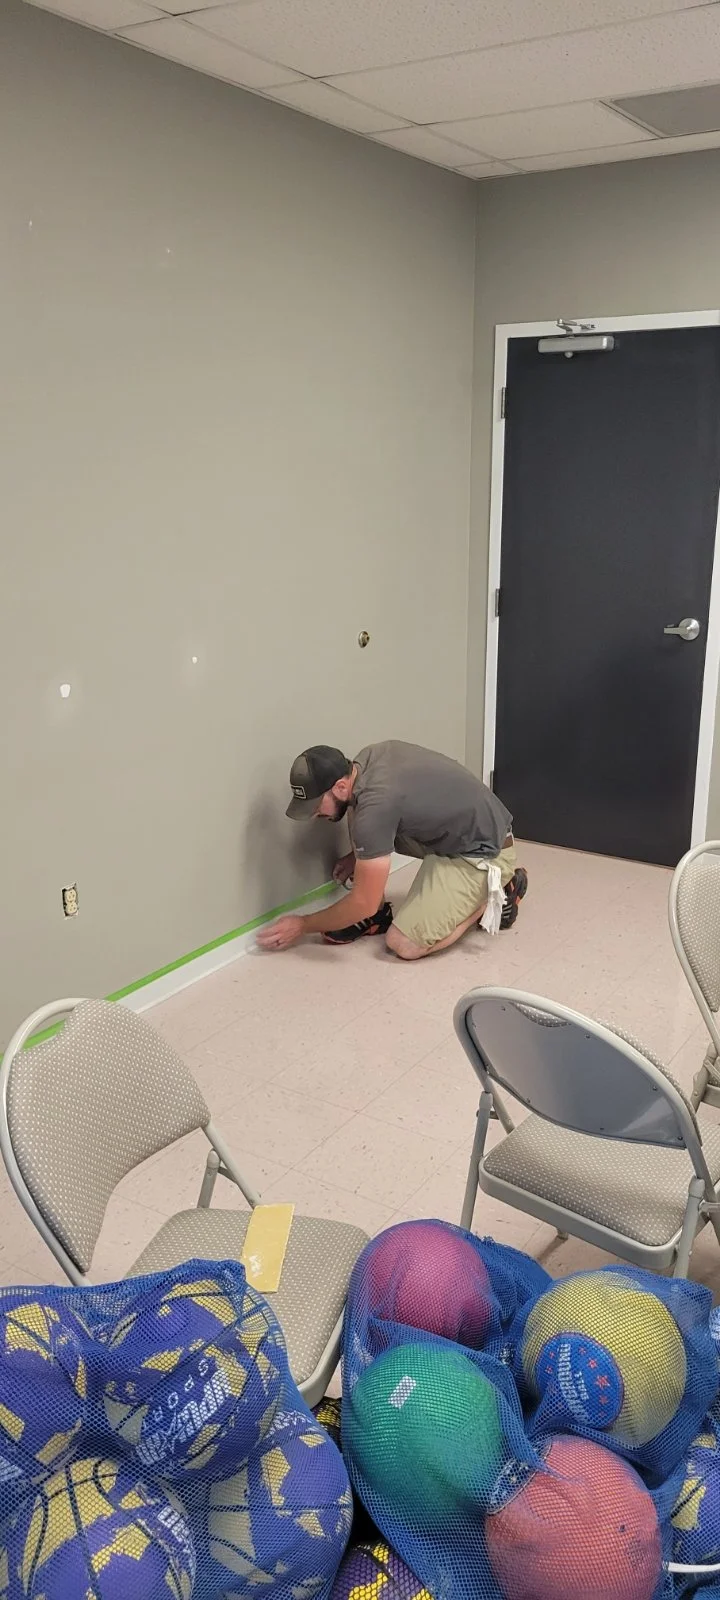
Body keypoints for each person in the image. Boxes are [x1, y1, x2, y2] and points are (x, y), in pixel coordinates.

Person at [257, 741, 527, 960]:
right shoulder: (367, 760)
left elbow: (363, 901)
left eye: (317, 806)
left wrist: (303, 925)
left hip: (484, 853)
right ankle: (377, 917)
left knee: (403, 944)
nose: (316, 814)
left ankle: (497, 892)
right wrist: (358, 856)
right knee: (358, 811)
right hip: (460, 833)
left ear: (339, 786)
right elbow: (384, 812)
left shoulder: (375, 806)